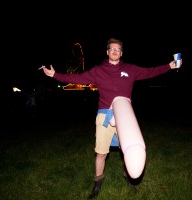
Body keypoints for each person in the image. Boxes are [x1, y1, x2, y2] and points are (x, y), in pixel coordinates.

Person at [41, 38, 181, 198]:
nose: (114, 51)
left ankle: (130, 178)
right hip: (105, 115)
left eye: (118, 49)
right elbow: (78, 79)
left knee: (126, 151)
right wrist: (55, 75)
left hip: (125, 117)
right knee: (101, 153)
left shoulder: (131, 69)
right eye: (112, 49)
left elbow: (150, 72)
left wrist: (170, 66)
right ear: (107, 52)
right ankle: (97, 184)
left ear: (121, 53)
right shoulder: (98, 71)